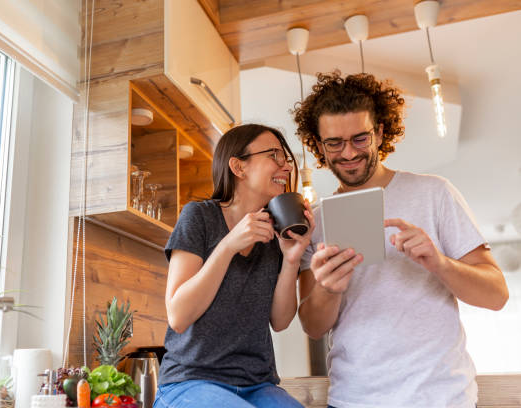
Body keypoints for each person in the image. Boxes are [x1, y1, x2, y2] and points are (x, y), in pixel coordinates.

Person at [293, 71, 509, 408]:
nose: (348, 153)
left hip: (441, 397)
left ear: (379, 132)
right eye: (334, 143)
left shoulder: (434, 193)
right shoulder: (315, 222)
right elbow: (313, 327)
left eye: (360, 138)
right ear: (318, 145)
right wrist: (327, 287)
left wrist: (439, 263)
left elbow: (496, 295)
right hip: (355, 400)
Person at [153, 124, 313, 408]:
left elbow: (280, 321)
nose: (286, 166)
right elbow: (178, 315)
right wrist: (228, 246)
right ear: (239, 167)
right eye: (274, 155)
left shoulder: (276, 230)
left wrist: (291, 260)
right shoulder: (199, 217)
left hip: (259, 384)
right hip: (191, 381)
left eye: (286, 158)